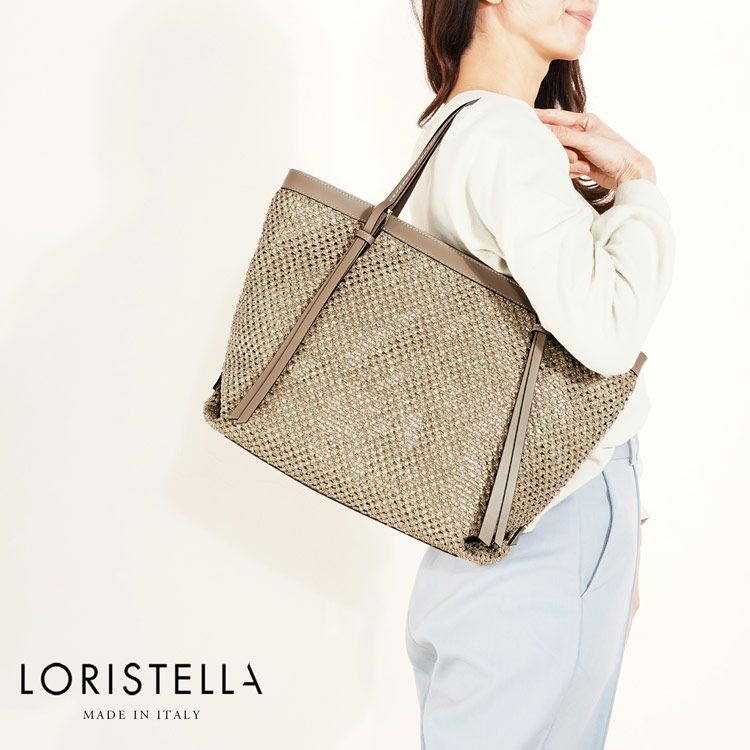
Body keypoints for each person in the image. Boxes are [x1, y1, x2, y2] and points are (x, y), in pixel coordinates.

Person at [403, 1, 675, 748]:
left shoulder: (451, 128)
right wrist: (640, 185)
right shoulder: (503, 137)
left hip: (494, 520)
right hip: (547, 523)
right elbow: (608, 332)